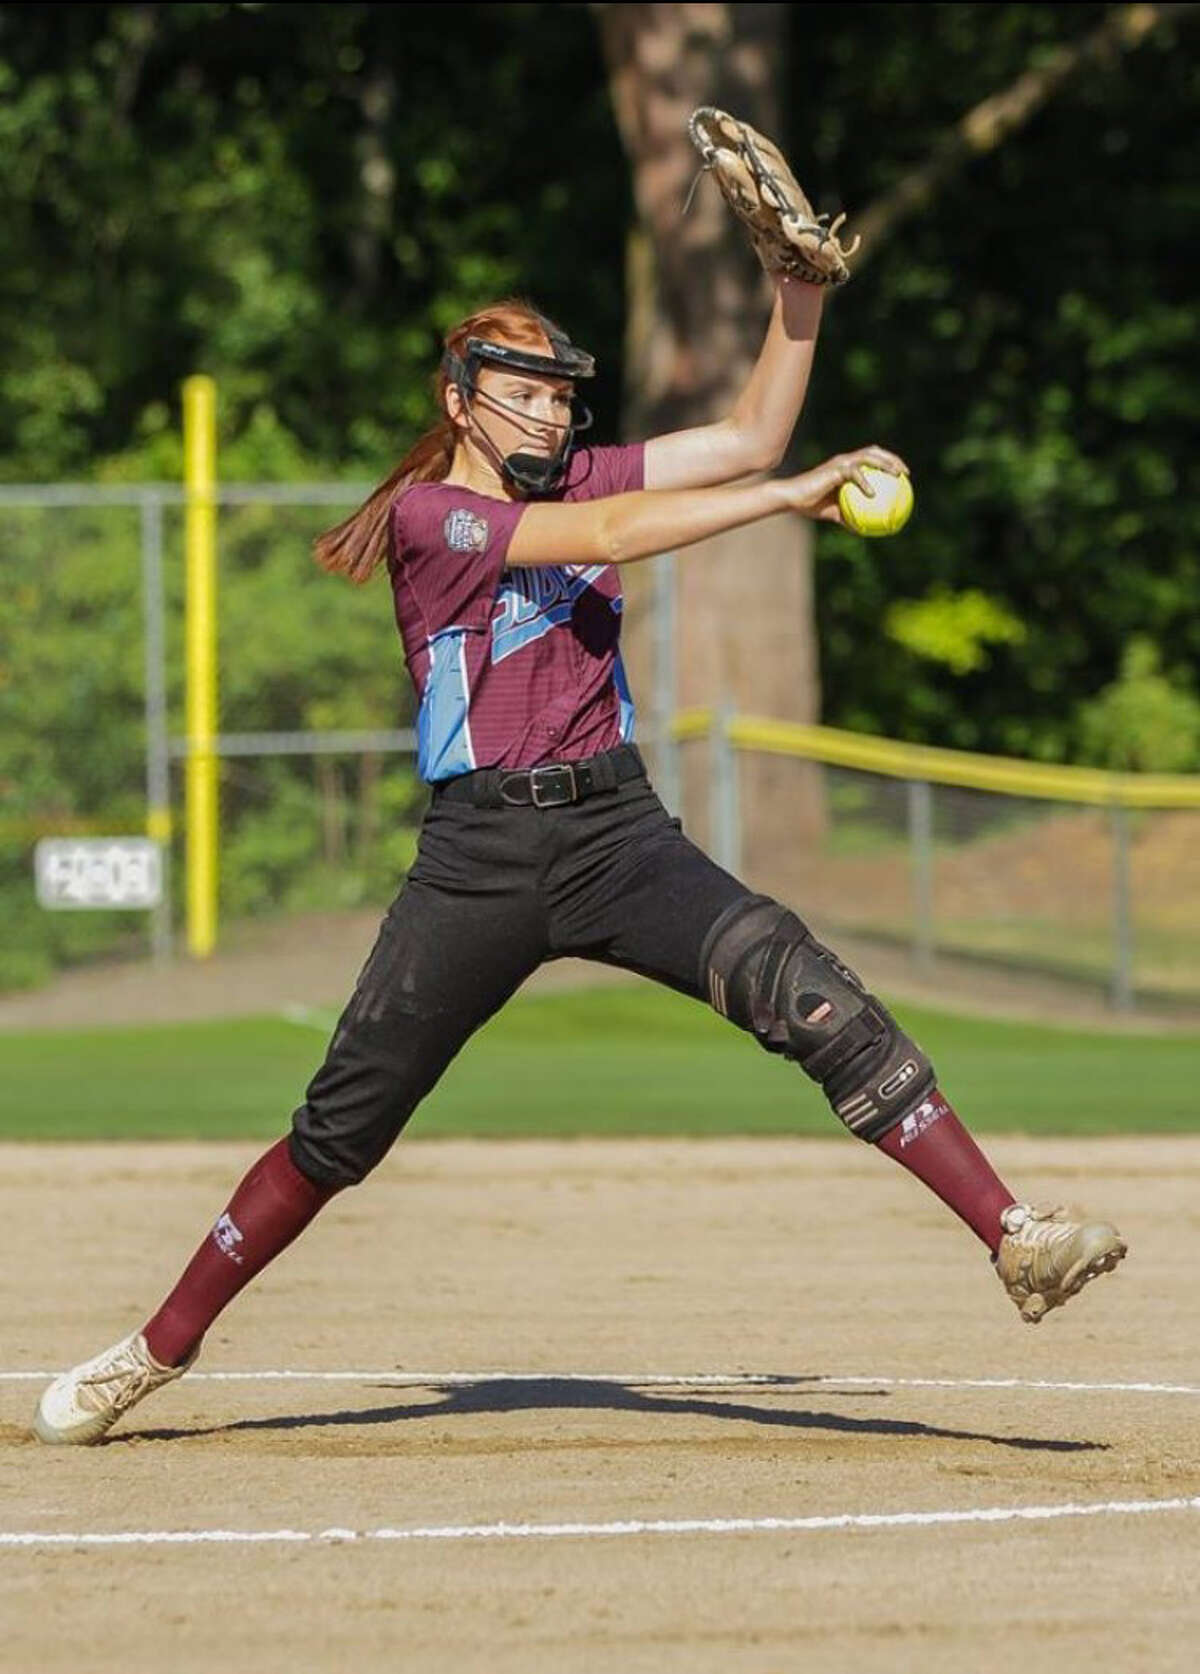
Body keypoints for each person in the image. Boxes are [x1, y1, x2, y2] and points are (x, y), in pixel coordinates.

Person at [35, 284, 1126, 1446]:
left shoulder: (583, 473)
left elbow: (753, 430)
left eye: (561, 398)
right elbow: (623, 534)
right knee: (338, 1134)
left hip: (618, 830)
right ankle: (154, 1351)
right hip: (482, 857)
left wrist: (798, 299)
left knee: (800, 984)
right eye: (523, 395)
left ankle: (1014, 1237)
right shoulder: (429, 519)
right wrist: (789, 499)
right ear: (460, 402)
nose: (551, 420)